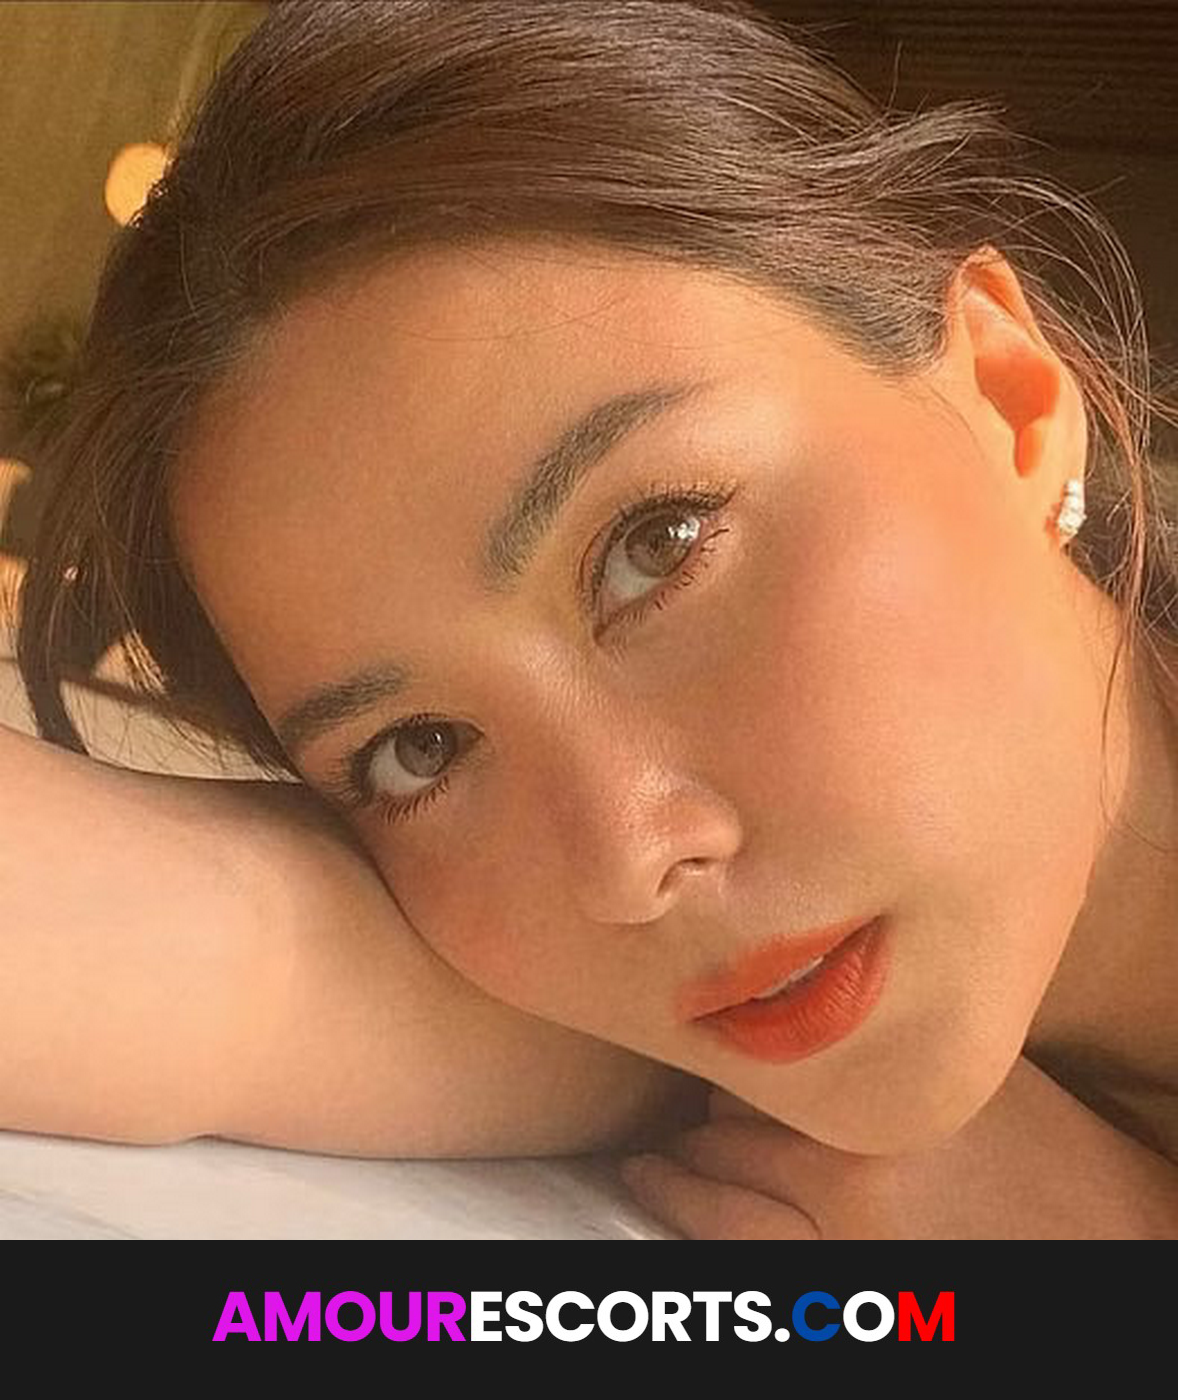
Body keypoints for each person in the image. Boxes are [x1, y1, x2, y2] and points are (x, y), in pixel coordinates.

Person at [8, 0, 1178, 1238]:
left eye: (655, 545)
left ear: (1007, 396)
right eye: (419, 749)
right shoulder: (607, 969)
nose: (626, 863)